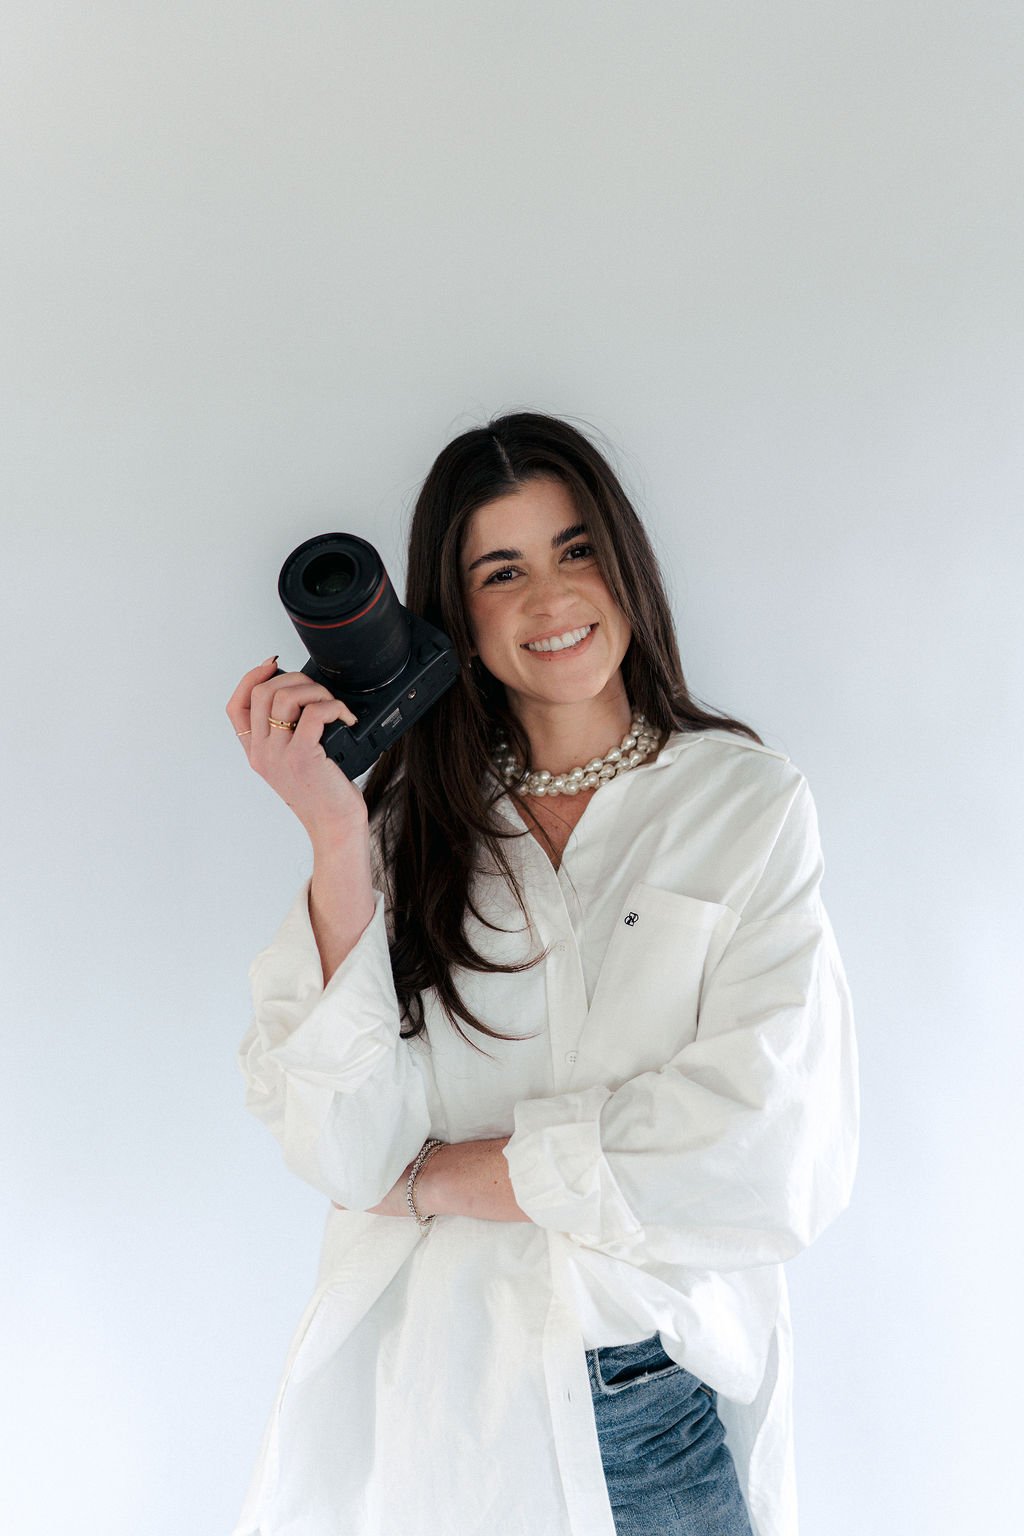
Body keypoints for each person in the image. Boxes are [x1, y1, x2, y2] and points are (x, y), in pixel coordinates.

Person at [225, 411, 859, 1536]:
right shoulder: (404, 838)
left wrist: (436, 1180)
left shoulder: (745, 805)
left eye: (575, 551)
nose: (551, 598)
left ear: (625, 567)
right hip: (450, 1426)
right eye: (501, 571)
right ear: (455, 618)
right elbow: (345, 1150)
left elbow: (765, 1148)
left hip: (652, 1415)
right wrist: (334, 831)